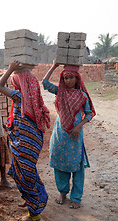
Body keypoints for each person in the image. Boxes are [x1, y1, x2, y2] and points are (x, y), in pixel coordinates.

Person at [0, 60, 50, 221]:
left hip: (23, 143)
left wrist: (11, 69)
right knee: (27, 170)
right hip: (29, 142)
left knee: (25, 174)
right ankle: (30, 199)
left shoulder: (20, 97)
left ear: (22, 84)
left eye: (16, 82)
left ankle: (34, 212)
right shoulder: (35, 99)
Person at [42, 60, 96, 209]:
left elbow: (90, 113)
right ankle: (62, 192)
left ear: (77, 78)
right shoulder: (60, 91)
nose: (68, 80)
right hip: (60, 135)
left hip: (75, 136)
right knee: (60, 164)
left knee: (77, 167)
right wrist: (54, 66)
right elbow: (45, 83)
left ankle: (76, 197)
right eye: (65, 78)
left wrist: (79, 126)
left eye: (71, 77)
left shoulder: (82, 95)